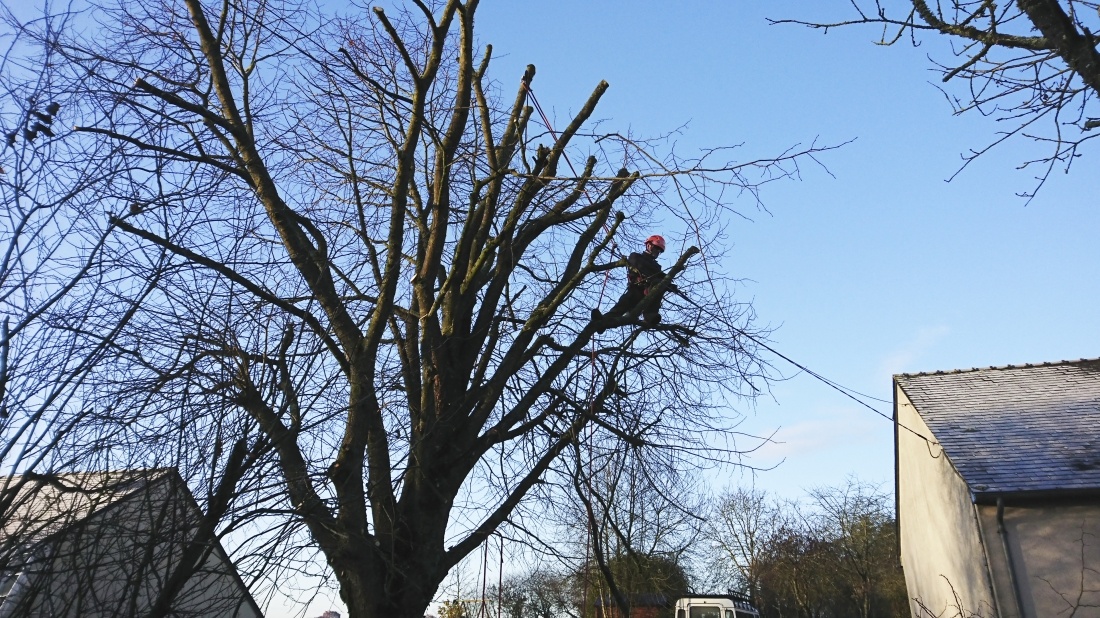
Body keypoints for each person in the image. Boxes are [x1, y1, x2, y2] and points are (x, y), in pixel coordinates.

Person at [593, 235, 669, 329]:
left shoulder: (657, 268)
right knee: (622, 305)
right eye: (657, 248)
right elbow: (641, 267)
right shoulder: (636, 256)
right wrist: (657, 276)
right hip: (636, 290)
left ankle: (650, 315)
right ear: (649, 246)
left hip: (648, 294)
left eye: (660, 251)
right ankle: (603, 322)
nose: (657, 252)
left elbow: (660, 278)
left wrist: (669, 284)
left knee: (659, 283)